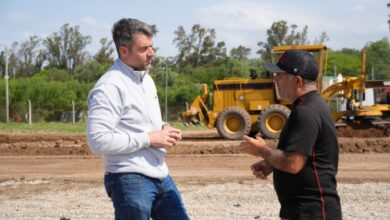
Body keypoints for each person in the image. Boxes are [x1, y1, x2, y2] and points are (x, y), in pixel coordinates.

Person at [87, 18, 189, 220]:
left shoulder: (146, 79)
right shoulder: (109, 87)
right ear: (124, 51)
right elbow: (97, 140)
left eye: (152, 47)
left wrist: (163, 127)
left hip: (159, 174)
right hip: (128, 177)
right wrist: (150, 138)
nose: (152, 53)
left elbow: (139, 121)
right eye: (144, 49)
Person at [241, 50, 342, 220]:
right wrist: (271, 164)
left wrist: (263, 150)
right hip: (303, 211)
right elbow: (299, 156)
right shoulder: (307, 107)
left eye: (280, 75)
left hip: (312, 213)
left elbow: (293, 163)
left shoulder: (306, 112)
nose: (275, 80)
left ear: (297, 80)